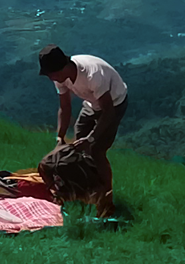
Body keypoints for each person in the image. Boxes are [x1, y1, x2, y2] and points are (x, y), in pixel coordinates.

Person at [40, 44, 127, 211]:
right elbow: (65, 107)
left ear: (63, 67)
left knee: (97, 151)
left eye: (52, 74)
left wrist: (92, 138)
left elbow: (108, 112)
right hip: (91, 104)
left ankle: (107, 200)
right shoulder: (60, 78)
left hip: (114, 104)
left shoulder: (92, 75)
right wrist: (60, 137)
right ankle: (85, 191)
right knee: (77, 149)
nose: (51, 78)